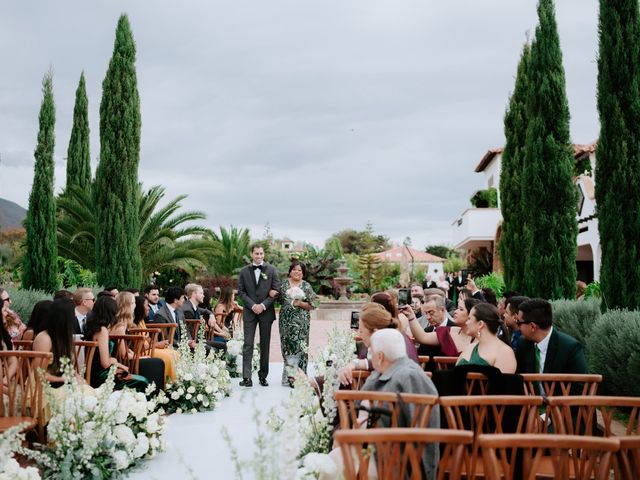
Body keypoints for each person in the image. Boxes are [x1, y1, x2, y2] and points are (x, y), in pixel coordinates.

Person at [327, 329, 440, 480]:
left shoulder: (411, 377)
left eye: (371, 352)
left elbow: (419, 435)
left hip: (398, 461)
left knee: (331, 466)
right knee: (330, 461)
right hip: (377, 449)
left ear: (380, 356)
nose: (369, 356)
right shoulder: (383, 373)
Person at [338, 302, 418, 387]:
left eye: (361, 331)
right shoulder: (394, 335)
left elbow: (387, 362)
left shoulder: (391, 340)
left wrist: (356, 363)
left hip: (399, 392)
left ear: (375, 332)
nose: (359, 335)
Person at [84, 295, 149, 392]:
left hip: (95, 371)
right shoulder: (102, 330)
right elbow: (105, 363)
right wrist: (118, 364)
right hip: (100, 375)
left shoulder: (92, 326)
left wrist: (115, 362)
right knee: (143, 381)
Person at [237, 244, 280, 387]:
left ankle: (263, 376)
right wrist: (253, 305)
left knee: (265, 345)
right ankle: (247, 378)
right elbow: (241, 292)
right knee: (248, 344)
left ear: (264, 254)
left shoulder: (272, 270)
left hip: (266, 313)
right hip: (250, 312)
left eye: (261, 253)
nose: (259, 256)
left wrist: (262, 305)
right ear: (251, 254)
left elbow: (276, 290)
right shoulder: (244, 272)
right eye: (256, 254)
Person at [515, 298, 587, 376]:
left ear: (532, 326)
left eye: (519, 323)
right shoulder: (523, 344)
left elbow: (581, 385)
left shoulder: (570, 348)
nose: (518, 327)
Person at [278, 261, 316, 386]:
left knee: (301, 347)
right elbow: (277, 300)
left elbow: (313, 305)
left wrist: (300, 304)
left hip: (302, 323)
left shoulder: (306, 286)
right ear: (290, 271)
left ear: (303, 273)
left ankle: (300, 378)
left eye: (300, 270)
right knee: (287, 347)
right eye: (294, 269)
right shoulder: (283, 285)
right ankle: (289, 376)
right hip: (286, 322)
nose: (297, 272)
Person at [403, 298, 480, 357]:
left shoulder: (482, 338)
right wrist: (411, 316)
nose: (455, 311)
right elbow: (422, 337)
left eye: (461, 309)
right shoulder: (448, 331)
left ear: (471, 315)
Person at [32, 298, 81, 386]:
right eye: (73, 314)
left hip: (59, 384)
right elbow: (37, 374)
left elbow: (66, 368)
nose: (75, 317)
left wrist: (75, 375)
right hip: (42, 388)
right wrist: (63, 379)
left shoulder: (64, 338)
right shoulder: (45, 338)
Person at [457, 302, 517, 373]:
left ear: (480, 324)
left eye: (469, 318)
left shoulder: (505, 352)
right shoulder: (470, 347)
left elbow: (503, 383)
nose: (466, 323)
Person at [133, 295, 178, 382]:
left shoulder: (141, 321)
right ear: (139, 308)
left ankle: (176, 384)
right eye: (146, 306)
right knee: (168, 356)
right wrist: (156, 345)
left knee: (174, 353)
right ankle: (167, 384)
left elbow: (147, 338)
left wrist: (157, 343)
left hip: (149, 347)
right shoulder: (134, 325)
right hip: (143, 351)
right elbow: (139, 347)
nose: (148, 308)